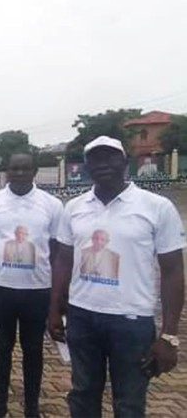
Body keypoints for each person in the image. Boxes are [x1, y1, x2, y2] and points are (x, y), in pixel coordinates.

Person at [49, 136, 185, 417]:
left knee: (129, 402)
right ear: (86, 167)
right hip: (82, 317)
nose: (103, 165)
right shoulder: (73, 208)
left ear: (125, 162)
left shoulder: (156, 207)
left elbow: (172, 271)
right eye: (95, 159)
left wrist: (169, 335)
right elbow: (63, 261)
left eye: (110, 157)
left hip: (132, 322)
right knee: (83, 394)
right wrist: (54, 309)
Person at [0, 153, 64, 418]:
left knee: (33, 350)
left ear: (34, 171)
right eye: (14, 169)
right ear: (6, 172)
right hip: (2, 289)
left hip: (38, 290)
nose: (19, 173)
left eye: (25, 168)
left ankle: (31, 407)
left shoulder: (52, 205)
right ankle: (0, 405)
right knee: (2, 347)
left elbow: (58, 254)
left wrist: (59, 295)